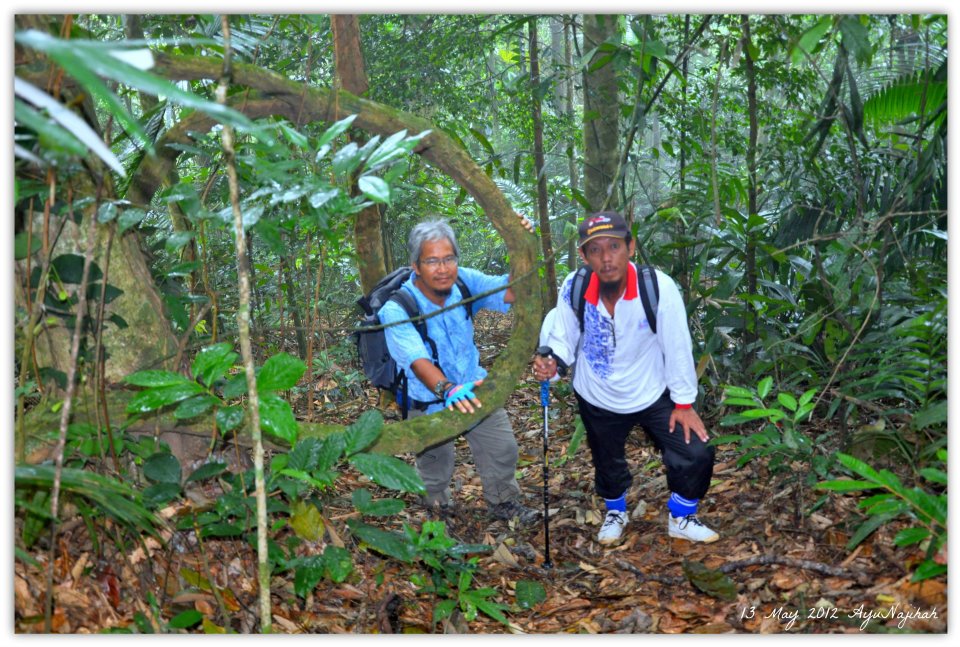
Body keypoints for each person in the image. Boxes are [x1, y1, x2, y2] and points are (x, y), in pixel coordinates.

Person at [533, 211, 718, 545]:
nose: (606, 257)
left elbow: (676, 344)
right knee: (608, 460)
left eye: (614, 246)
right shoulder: (574, 287)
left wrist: (684, 402)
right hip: (597, 393)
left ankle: (682, 515)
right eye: (596, 249)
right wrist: (553, 366)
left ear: (630, 247)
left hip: (652, 389)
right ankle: (615, 511)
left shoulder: (656, 287)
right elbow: (563, 337)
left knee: (695, 452)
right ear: (584, 255)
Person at [379, 215, 539, 524]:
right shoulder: (397, 308)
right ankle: (436, 512)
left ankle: (503, 502)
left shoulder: (464, 282)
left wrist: (524, 244)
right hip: (428, 400)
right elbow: (417, 359)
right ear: (416, 266)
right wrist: (447, 389)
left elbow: (513, 291)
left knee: (502, 448)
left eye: (449, 258)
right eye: (432, 261)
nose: (443, 268)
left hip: (474, 388)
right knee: (435, 463)